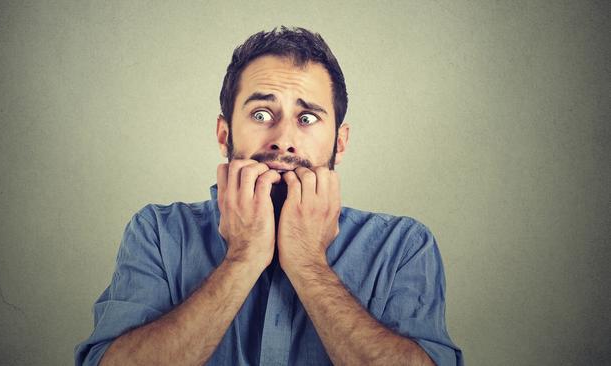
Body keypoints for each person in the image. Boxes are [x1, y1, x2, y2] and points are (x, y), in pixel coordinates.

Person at [75, 26, 462, 366]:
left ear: (339, 143)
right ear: (225, 135)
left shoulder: (403, 246)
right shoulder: (157, 232)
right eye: (261, 114)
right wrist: (243, 258)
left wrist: (308, 262)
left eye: (307, 118)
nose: (283, 140)